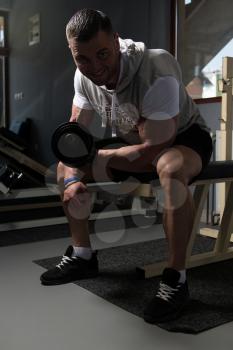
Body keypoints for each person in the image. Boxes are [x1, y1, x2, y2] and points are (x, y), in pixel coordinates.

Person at [40, 8, 213, 323]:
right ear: (73, 53)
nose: (96, 67)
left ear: (116, 41)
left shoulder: (155, 67)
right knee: (65, 167)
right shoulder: (84, 77)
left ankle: (176, 278)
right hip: (135, 142)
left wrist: (105, 158)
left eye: (103, 54)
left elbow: (155, 148)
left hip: (184, 140)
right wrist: (72, 181)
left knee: (170, 169)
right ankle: (82, 255)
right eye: (84, 59)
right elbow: (74, 139)